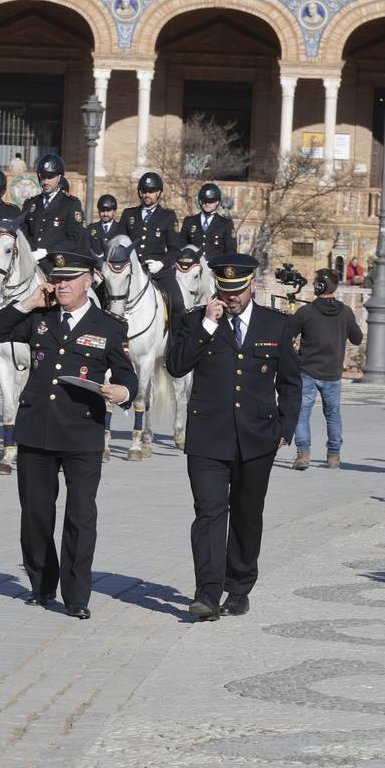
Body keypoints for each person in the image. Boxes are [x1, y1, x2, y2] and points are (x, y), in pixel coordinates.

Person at [0, 250, 136, 619]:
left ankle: (76, 594)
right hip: (37, 427)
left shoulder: (109, 326)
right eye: (57, 278)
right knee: (36, 513)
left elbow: (126, 375)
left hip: (82, 430)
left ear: (91, 281)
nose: (62, 284)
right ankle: (41, 585)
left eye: (71, 278)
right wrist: (28, 302)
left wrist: (123, 392)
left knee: (80, 515)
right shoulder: (40, 318)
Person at [165, 253, 301, 621]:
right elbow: (176, 365)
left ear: (252, 285)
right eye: (225, 291)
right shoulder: (196, 321)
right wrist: (206, 327)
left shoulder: (275, 325)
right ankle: (207, 594)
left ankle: (239, 587)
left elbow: (290, 383)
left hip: (257, 436)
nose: (231, 298)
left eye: (238, 290)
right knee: (208, 513)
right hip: (208, 434)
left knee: (246, 514)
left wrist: (285, 430)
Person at [289, 269, 362, 470]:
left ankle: (303, 454)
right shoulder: (346, 312)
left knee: (302, 412)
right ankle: (333, 456)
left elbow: (287, 335)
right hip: (333, 372)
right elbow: (357, 338)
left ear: (318, 286)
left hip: (307, 371)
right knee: (333, 414)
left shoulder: (306, 312)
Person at [120, 171, 185, 314]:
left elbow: (175, 249)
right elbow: (120, 244)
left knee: (178, 304)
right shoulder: (128, 214)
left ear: (159, 192)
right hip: (131, 270)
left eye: (151, 191)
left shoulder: (168, 216)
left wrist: (161, 263)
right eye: (144, 191)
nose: (147, 194)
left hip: (159, 271)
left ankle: (175, 337)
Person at [21, 154, 86, 272]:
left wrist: (46, 251)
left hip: (56, 265)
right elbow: (23, 233)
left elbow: (75, 238)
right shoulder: (30, 204)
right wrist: (30, 251)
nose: (45, 182)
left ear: (59, 177)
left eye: (50, 177)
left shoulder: (70, 204)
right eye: (43, 177)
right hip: (30, 262)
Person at [180, 182, 236, 256]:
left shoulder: (225, 224)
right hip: (194, 265)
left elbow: (230, 251)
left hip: (215, 266)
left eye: (211, 201)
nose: (207, 204)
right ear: (200, 201)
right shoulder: (189, 221)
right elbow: (181, 246)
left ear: (217, 202)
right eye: (204, 201)